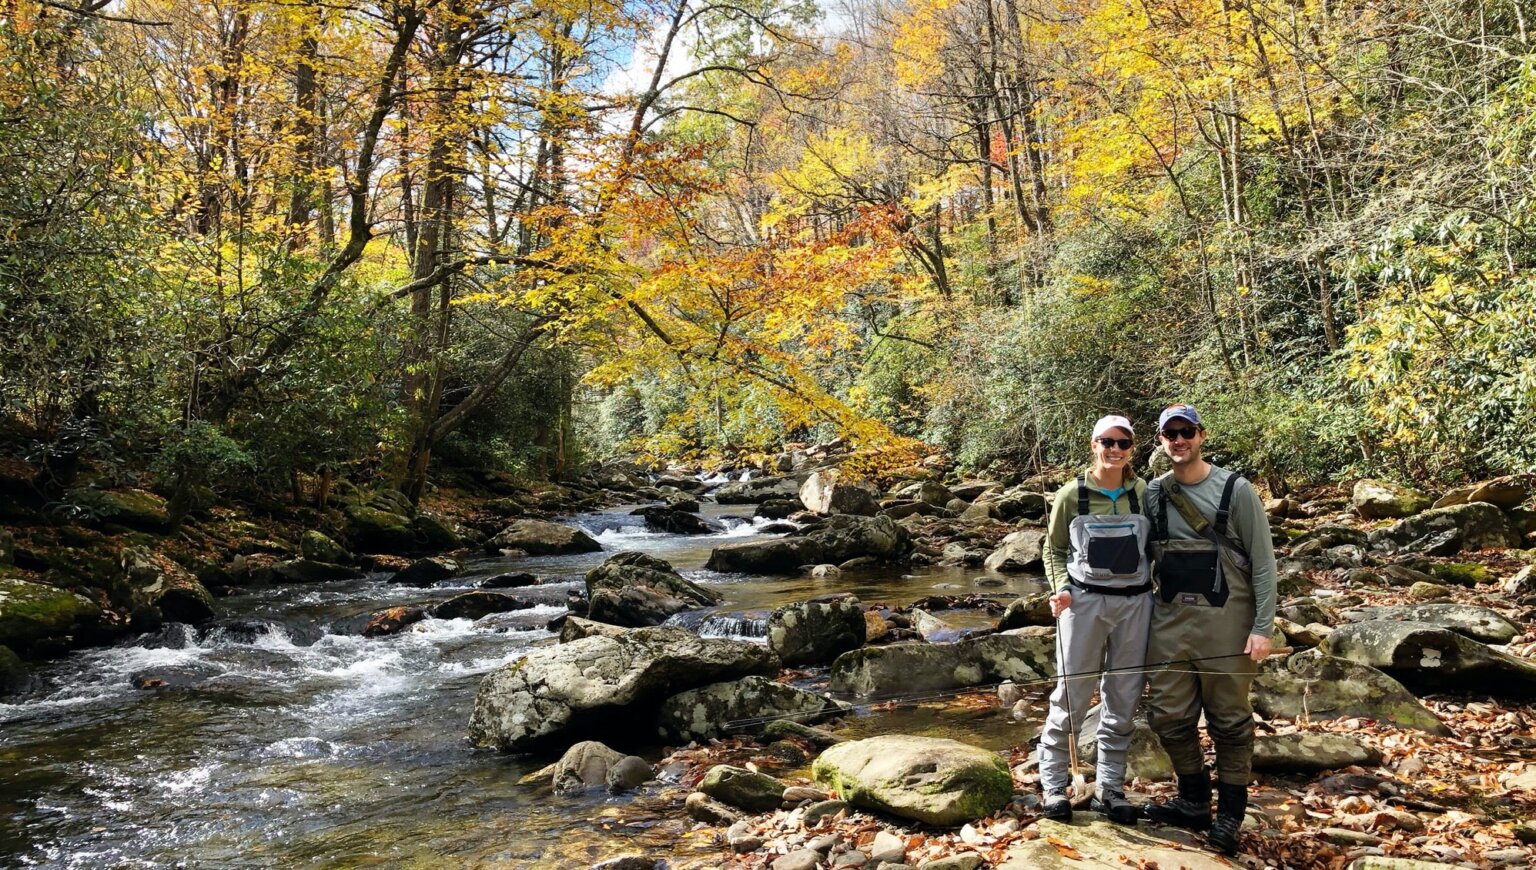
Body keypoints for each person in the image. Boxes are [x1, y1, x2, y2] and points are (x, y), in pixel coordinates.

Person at [1141, 404, 1277, 856]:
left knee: (1230, 722)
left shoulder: (1237, 490)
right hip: (1169, 624)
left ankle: (1231, 814)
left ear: (1201, 435)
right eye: (1170, 434)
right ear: (1160, 441)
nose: (1179, 441)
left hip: (1228, 625)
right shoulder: (1154, 493)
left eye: (1186, 432)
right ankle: (1193, 801)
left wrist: (1262, 627)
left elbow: (1263, 564)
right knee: (1167, 716)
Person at [1038, 414, 1153, 825]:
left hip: (1136, 605)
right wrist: (1061, 588)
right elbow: (1053, 550)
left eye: (1123, 443)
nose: (1115, 449)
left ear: (1131, 448)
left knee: (1123, 698)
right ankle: (1054, 786)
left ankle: (1110, 788)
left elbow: (1157, 549)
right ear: (1094, 445)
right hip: (1082, 604)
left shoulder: (1144, 493)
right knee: (1070, 696)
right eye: (1107, 442)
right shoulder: (1072, 494)